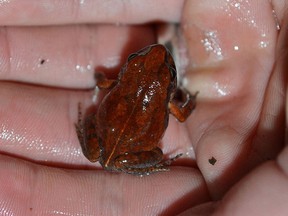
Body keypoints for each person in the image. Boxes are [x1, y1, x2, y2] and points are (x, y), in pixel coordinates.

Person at [0, 1, 286, 215]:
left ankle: (120, 147)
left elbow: (101, 83)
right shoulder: (166, 102)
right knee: (156, 153)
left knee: (96, 141)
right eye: (137, 57)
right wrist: (191, 99)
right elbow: (184, 112)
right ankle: (155, 164)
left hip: (107, 143)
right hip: (122, 149)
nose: (153, 54)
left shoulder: (116, 82)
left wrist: (99, 78)